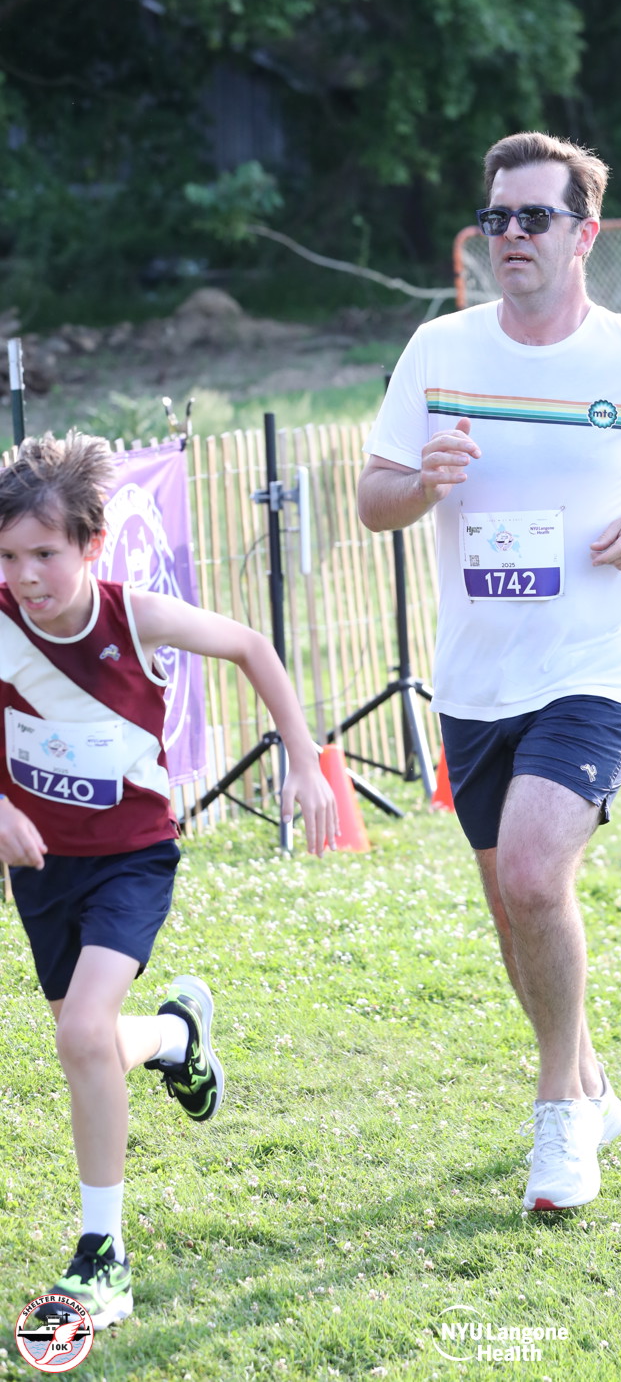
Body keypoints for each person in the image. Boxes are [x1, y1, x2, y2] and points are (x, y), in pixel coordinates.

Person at [357, 130, 621, 1212]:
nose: (511, 236)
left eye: (535, 217)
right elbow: (374, 498)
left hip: (600, 661)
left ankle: (560, 1122)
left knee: (535, 875)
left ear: (584, 235)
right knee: (512, 913)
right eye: (497, 218)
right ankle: (591, 1083)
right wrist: (422, 484)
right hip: (479, 676)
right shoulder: (439, 351)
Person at [0, 431, 338, 1327]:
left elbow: (251, 645)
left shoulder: (135, 617)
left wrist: (304, 760)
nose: (25, 575)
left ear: (92, 545)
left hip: (132, 858)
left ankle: (102, 1256)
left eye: (44, 554)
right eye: (8, 556)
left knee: (80, 1033)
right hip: (43, 869)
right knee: (90, 1044)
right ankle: (177, 1038)